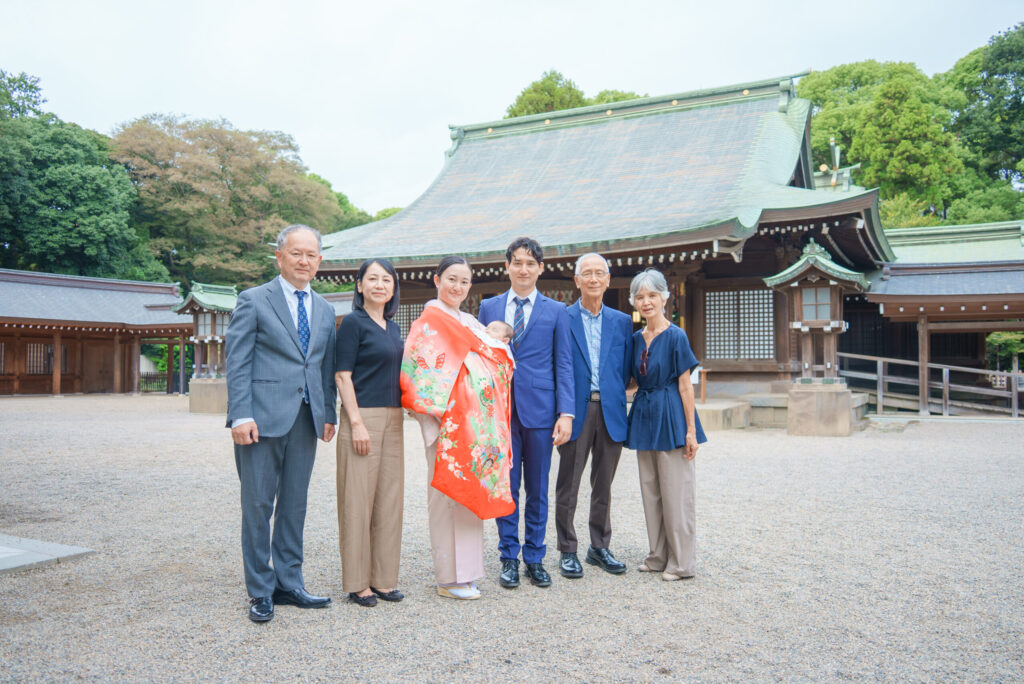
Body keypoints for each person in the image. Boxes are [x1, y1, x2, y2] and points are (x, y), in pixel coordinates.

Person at [225, 224, 337, 623]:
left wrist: (329, 413)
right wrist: (240, 414)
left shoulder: (325, 309)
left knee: (294, 504)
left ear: (319, 261)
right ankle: (260, 589)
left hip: (306, 418)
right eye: (296, 253)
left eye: (311, 255)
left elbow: (323, 366)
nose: (304, 261)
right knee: (257, 505)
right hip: (259, 418)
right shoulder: (254, 300)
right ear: (279, 256)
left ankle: (290, 582)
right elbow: (238, 361)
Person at [401, 256, 515, 600]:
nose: (458, 287)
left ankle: (468, 573)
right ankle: (449, 578)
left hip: (476, 426)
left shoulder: (470, 322)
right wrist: (449, 408)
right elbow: (420, 371)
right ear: (437, 280)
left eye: (464, 282)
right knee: (447, 496)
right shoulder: (429, 322)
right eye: (452, 279)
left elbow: (498, 359)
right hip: (448, 423)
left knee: (469, 495)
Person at [478, 237, 574, 589]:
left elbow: (564, 363)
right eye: (517, 262)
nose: (523, 269)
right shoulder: (488, 307)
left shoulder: (557, 310)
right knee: (505, 487)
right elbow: (478, 358)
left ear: (540, 268)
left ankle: (534, 557)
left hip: (541, 411)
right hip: (500, 412)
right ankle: (508, 557)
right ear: (507, 266)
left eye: (530, 263)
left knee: (537, 488)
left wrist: (566, 413)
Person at [554, 253, 633, 579]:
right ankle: (567, 549)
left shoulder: (622, 321)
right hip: (576, 410)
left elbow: (625, 370)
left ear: (608, 280)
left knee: (604, 484)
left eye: (600, 273)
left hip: (611, 408)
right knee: (568, 483)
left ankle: (599, 546)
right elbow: (557, 365)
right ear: (577, 280)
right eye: (586, 273)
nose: (593, 278)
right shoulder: (563, 317)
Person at [626, 268, 707, 581]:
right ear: (634, 301)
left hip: (671, 414)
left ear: (664, 298)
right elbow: (632, 381)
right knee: (651, 491)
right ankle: (658, 556)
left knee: (676, 493)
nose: (646, 302)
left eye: (652, 295)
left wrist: (691, 431)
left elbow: (685, 387)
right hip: (644, 414)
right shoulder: (636, 339)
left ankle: (682, 563)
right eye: (640, 297)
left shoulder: (676, 336)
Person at [334, 258, 405, 607]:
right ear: (360, 285)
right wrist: (356, 422)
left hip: (395, 418)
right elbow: (342, 375)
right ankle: (357, 582)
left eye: (386, 280)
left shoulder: (393, 328)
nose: (380, 285)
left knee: (389, 501)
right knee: (357, 502)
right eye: (372, 279)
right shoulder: (353, 323)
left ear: (393, 288)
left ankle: (383, 579)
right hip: (362, 417)